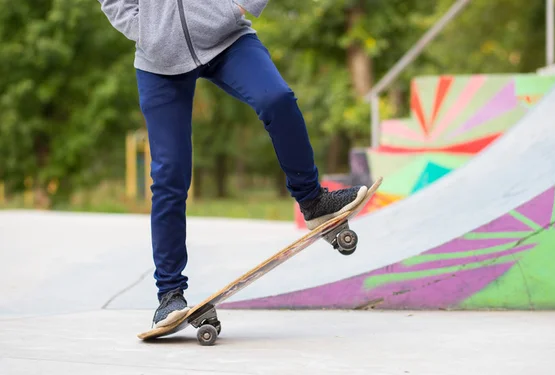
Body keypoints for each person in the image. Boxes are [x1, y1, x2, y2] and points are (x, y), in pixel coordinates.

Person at [97, 0, 368, 328]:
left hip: (228, 39)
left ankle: (313, 201)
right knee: (169, 172)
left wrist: (236, 7)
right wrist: (145, 32)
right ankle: (169, 294)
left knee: (277, 99)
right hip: (159, 60)